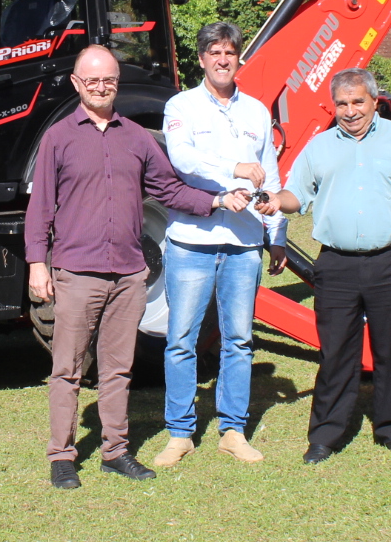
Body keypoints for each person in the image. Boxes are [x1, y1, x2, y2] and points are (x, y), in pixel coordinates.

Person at [25, 45, 236, 490]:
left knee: (118, 368)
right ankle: (62, 456)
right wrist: (35, 265)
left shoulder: (137, 138)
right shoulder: (58, 138)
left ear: (116, 83)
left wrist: (215, 199)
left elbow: (170, 189)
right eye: (92, 81)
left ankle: (115, 452)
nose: (101, 88)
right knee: (68, 368)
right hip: (77, 272)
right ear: (77, 84)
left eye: (108, 81)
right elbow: (40, 207)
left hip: (128, 273)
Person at [257, 68, 391, 463]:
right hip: (336, 264)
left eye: (358, 101)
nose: (350, 110)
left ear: (375, 101)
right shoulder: (319, 147)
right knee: (337, 351)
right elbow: (296, 195)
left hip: (390, 260)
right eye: (342, 103)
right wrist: (275, 200)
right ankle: (326, 434)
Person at [153, 22, 286, 468]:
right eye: (215, 52)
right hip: (192, 241)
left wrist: (278, 232)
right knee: (181, 340)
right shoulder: (181, 106)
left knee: (240, 340)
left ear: (238, 58)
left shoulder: (255, 111)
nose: (223, 60)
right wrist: (235, 168)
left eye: (230, 52)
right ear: (202, 59)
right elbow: (182, 159)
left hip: (244, 243)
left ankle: (233, 430)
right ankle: (180, 433)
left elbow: (271, 174)